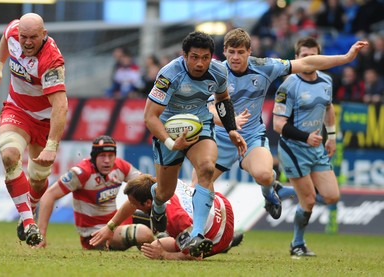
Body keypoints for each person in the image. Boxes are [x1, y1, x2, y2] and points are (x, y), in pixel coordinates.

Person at [206, 28, 367, 221]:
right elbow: (210, 109)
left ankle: (270, 193)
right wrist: (230, 122)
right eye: (231, 52)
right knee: (199, 187)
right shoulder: (216, 72)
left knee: (265, 175)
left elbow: (307, 62)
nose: (235, 57)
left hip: (250, 137)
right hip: (220, 138)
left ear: (250, 51)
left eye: (241, 52)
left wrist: (345, 58)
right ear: (224, 51)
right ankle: (203, 231)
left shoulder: (265, 66)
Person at [143, 31, 247, 258]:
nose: (200, 63)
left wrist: (231, 129)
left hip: (200, 125)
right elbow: (150, 116)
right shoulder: (169, 74)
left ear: (212, 56)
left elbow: (223, 101)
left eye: (205, 57)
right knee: (164, 192)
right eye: (194, 57)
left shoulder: (219, 71)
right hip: (169, 130)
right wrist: (171, 143)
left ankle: (198, 234)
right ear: (185, 55)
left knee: (207, 168)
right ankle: (158, 204)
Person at [0, 13, 68, 247]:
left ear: (44, 34)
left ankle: (31, 204)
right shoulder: (13, 31)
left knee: (39, 181)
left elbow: (61, 106)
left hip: (44, 121)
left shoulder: (52, 60)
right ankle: (29, 222)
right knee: (9, 156)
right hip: (17, 110)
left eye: (33, 37)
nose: (28, 42)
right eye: (24, 37)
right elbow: (5, 37)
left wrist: (52, 147)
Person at [272, 37, 342, 257]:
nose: (309, 60)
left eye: (313, 56)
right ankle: (297, 244)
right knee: (309, 200)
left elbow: (328, 109)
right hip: (294, 148)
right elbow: (277, 125)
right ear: (297, 58)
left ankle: (282, 191)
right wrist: (305, 137)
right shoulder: (288, 85)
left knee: (332, 196)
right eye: (304, 56)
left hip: (316, 148)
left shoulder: (326, 81)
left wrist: (331, 136)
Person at [36, 135, 151, 250]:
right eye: (102, 156)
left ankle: (158, 245)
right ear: (94, 157)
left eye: (111, 156)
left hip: (114, 225)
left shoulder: (120, 166)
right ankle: (158, 248)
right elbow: (49, 195)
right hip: (93, 235)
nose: (107, 160)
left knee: (149, 212)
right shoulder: (81, 173)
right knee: (144, 233)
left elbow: (146, 185)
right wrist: (41, 233)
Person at [89, 174, 241, 260]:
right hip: (219, 203)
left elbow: (196, 257)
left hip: (221, 233)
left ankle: (226, 244)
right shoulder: (158, 184)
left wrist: (164, 255)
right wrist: (110, 227)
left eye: (136, 204)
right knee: (154, 246)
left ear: (148, 203)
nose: (133, 207)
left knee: (160, 249)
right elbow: (133, 201)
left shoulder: (174, 219)